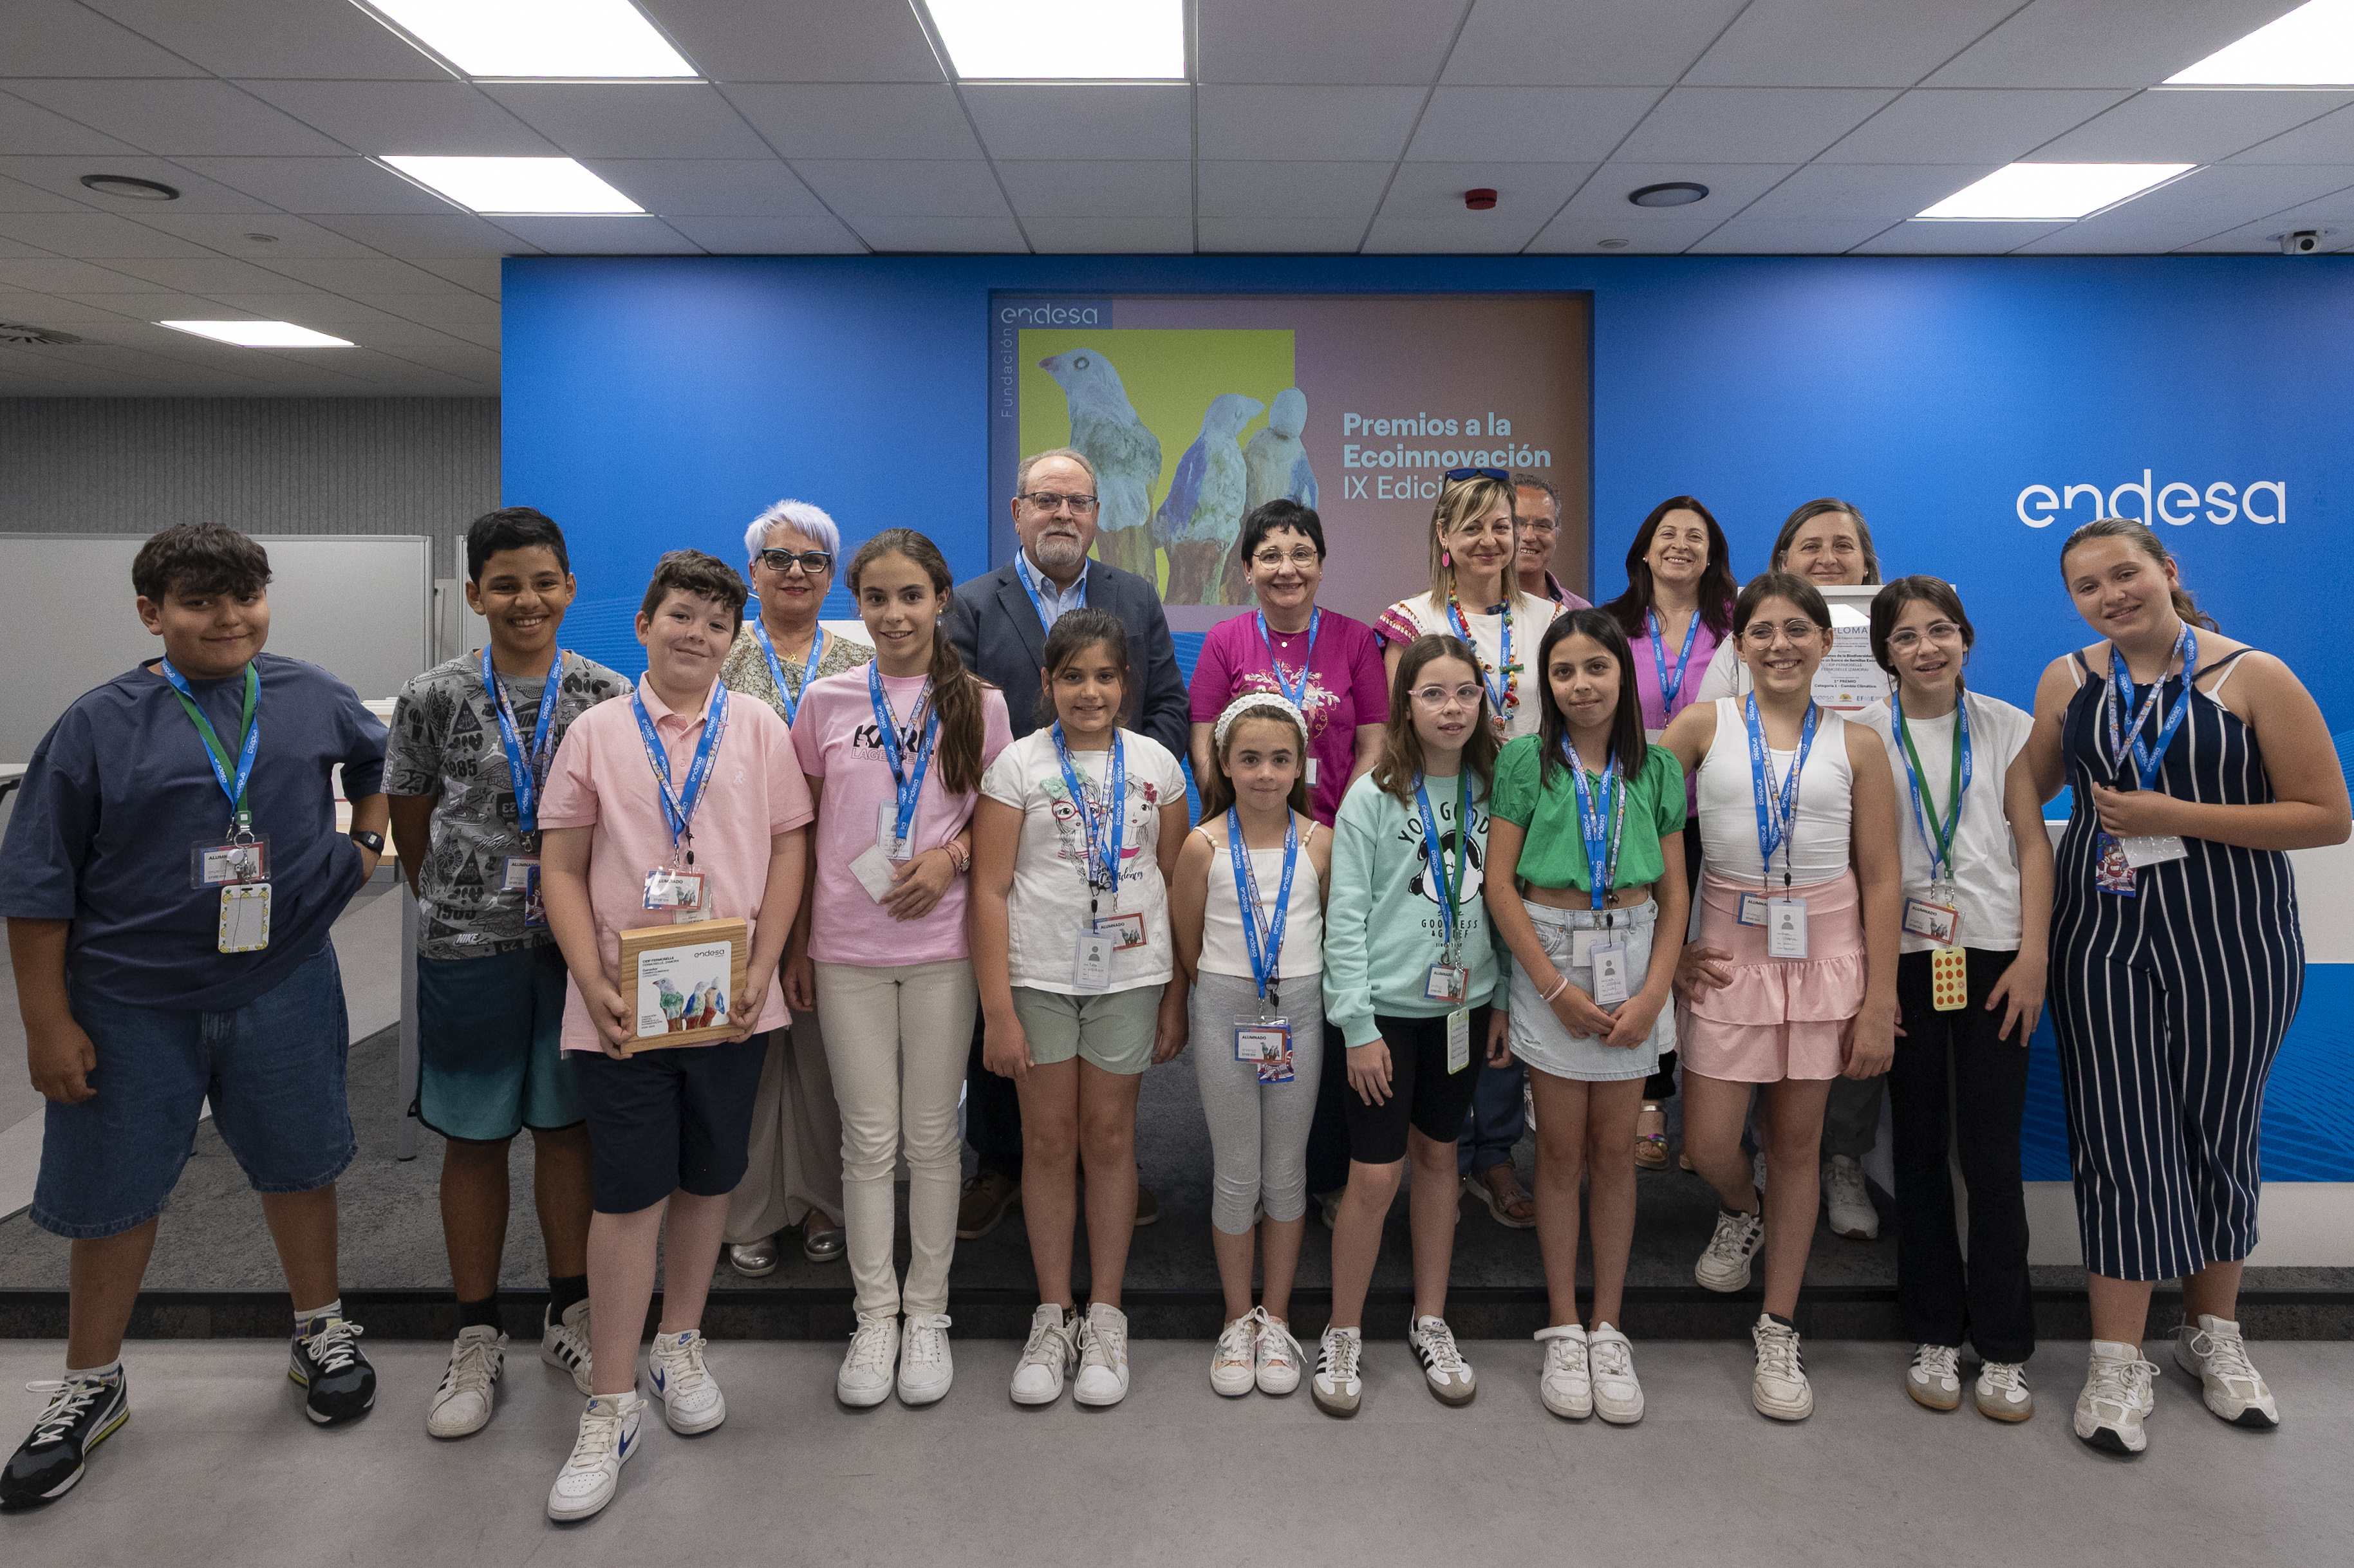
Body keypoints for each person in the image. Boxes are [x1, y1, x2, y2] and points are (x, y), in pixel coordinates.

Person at [0, 524, 389, 1509]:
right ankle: (91, 1383)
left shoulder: (308, 693)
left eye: (245, 596)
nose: (228, 618)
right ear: (152, 613)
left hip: (282, 979)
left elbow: (378, 759)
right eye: (199, 601)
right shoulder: (97, 725)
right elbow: (37, 884)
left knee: (301, 1164)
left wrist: (366, 843)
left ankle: (320, 1330)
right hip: (130, 1001)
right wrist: (46, 1024)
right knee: (113, 1193)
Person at [2026, 518, 2347, 1456]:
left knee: (2221, 1130)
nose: (2111, 595)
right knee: (2119, 1136)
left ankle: (2212, 1337)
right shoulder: (2067, 680)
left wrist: (2177, 814)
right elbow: (2022, 789)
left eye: (2125, 573)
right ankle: (2116, 1359)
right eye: (2088, 586)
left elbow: (2326, 816)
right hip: (2101, 938)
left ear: (2167, 570)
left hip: (2234, 940)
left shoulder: (2253, 676)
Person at [535, 550, 811, 1522]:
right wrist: (590, 979)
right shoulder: (597, 733)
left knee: (709, 1176)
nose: (697, 634)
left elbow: (789, 847)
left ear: (733, 640)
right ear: (643, 624)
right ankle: (610, 1402)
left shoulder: (760, 727)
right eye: (680, 615)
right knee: (626, 1193)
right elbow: (561, 866)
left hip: (729, 1003)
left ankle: (679, 1344)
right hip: (624, 1009)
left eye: (715, 623)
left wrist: (765, 963)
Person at [384, 507, 628, 1438]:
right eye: (506, 585)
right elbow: (412, 821)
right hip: (467, 948)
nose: (527, 600)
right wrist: (457, 902)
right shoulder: (432, 695)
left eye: (543, 582)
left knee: (568, 1131)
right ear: (476, 593)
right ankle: (476, 1330)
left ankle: (570, 1312)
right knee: (474, 1136)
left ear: (569, 587)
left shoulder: (606, 695)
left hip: (578, 950)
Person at [1661, 571, 1900, 1422]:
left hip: (1825, 959)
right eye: (1762, 630)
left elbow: (1883, 877)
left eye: (1798, 629)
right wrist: (1669, 944)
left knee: (1798, 1147)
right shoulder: (1701, 726)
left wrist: (1880, 1000)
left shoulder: (1859, 743)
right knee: (1709, 1142)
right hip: (1728, 957)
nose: (1780, 645)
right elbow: (1642, 825)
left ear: (1826, 643)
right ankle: (1741, 1208)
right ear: (1740, 645)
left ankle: (1779, 1323)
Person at [946, 447, 1187, 1241]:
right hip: (1012, 822)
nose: (1062, 514)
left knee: (1107, 1047)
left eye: (1077, 502)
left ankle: (1101, 1164)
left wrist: (1127, 779)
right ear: (1018, 511)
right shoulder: (974, 603)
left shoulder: (1135, 594)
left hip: (1116, 827)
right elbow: (955, 721)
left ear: (1097, 515)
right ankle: (1000, 1164)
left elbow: (1167, 700)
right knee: (1012, 1016)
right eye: (1046, 500)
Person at [794, 528, 1011, 1409]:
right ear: (859, 605)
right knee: (867, 1139)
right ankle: (874, 1315)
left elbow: (998, 825)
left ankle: (927, 1312)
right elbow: (803, 828)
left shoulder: (981, 703)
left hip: (942, 948)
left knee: (930, 1138)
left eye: (910, 596)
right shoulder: (824, 700)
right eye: (877, 598)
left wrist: (949, 859)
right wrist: (795, 946)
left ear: (940, 600)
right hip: (846, 947)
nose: (893, 615)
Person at [972, 608, 1190, 1408]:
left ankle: (1105, 1313)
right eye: (1072, 677)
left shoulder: (1157, 765)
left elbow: (1178, 884)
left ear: (1126, 683)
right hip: (1039, 978)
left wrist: (1178, 993)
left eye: (1104, 676)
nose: (1089, 692)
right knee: (1047, 1140)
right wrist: (998, 1009)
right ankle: (1052, 1311)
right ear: (1047, 683)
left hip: (1130, 978)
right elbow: (989, 890)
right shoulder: (1017, 767)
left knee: (1108, 1138)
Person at [1852, 576, 2052, 1424]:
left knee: (1993, 1157)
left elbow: (2032, 845)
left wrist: (2035, 956)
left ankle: (2004, 1345)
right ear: (1885, 654)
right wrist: (1872, 986)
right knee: (1920, 1150)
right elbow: (1859, 864)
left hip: (1998, 955)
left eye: (1940, 631)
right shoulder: (1863, 735)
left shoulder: (2006, 725)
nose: (1926, 649)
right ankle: (1935, 1330)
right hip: (1904, 958)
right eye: (1906, 637)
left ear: (1965, 638)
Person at [1489, 610, 1690, 1424]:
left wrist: (1654, 993)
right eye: (1564, 671)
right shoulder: (1523, 762)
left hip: (1634, 954)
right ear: (1548, 682)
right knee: (1561, 1149)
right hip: (1551, 954)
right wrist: (1551, 987)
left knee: (1616, 1151)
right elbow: (1500, 885)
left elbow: (1676, 895)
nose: (1581, 685)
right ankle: (1564, 1325)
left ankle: (1609, 1327)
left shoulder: (1658, 766)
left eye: (1596, 668)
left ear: (1623, 675)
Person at [1314, 636, 1509, 1417]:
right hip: (1384, 1016)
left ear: (1482, 702)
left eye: (1465, 693)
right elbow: (1345, 919)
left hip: (1462, 1009)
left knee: (1440, 1160)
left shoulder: (1496, 787)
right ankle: (1343, 1329)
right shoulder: (1374, 794)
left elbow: (1505, 901)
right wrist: (1357, 1026)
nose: (1452, 708)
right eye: (1433, 693)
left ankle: (1431, 1320)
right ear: (1406, 704)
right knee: (1373, 1176)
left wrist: (1499, 1000)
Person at [1186, 498, 1389, 1232]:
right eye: (1269, 554)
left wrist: (1337, 828)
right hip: (1250, 843)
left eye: (1301, 553)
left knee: (1325, 998)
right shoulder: (1225, 641)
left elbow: (1373, 742)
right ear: (1246, 568)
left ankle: (1321, 1172)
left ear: (1322, 564)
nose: (1286, 568)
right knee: (1256, 986)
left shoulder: (1355, 640)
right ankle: (1248, 1170)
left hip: (1333, 844)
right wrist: (1242, 820)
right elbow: (1205, 741)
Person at [1693, 498, 1885, 1235]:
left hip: (1843, 881)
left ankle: (1837, 1169)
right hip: (1743, 903)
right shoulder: (1735, 666)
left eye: (1844, 545)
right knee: (1721, 1127)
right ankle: (1754, 1187)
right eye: (1812, 545)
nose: (1829, 557)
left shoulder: (1885, 643)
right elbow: (1691, 774)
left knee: (1840, 1039)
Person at [1376, 470, 1560, 1227]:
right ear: (1444, 538)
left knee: (1508, 985)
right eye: (1473, 527)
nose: (1490, 540)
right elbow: (1398, 727)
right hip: (1441, 817)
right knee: (1448, 967)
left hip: (1529, 822)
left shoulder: (1552, 619)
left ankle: (1495, 1154)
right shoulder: (1409, 618)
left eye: (1502, 526)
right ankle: (1438, 1154)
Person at [717, 499, 872, 1277]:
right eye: (778, 558)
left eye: (812, 560)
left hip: (833, 881)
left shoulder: (863, 664)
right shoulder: (719, 651)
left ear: (833, 574)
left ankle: (820, 1200)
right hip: (736, 875)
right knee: (743, 1045)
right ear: (752, 572)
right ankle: (749, 1209)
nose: (795, 573)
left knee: (819, 1053)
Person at [1171, 695, 1331, 1399]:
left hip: (1300, 1014)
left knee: (1287, 1171)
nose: (1265, 773)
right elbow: (1187, 941)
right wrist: (1225, 994)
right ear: (1224, 766)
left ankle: (1278, 1318)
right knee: (1237, 1172)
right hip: (1226, 1012)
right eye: (1250, 759)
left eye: (1280, 759)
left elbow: (1332, 928)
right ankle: (1238, 1318)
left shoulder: (1320, 842)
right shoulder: (1202, 845)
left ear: (1299, 767)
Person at [1600, 496, 1738, 1171]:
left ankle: (1717, 1112)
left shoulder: (1740, 625)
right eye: (1668, 534)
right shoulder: (1609, 624)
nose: (1681, 544)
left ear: (1712, 555)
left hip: (1724, 813)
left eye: (1695, 536)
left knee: (1714, 953)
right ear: (1644, 550)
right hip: (1635, 812)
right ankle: (1651, 1095)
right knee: (1645, 948)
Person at [1510, 471, 1594, 610]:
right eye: (1517, 523)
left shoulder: (1579, 611)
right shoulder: (1473, 607)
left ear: (1557, 535)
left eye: (1542, 526)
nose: (1529, 536)